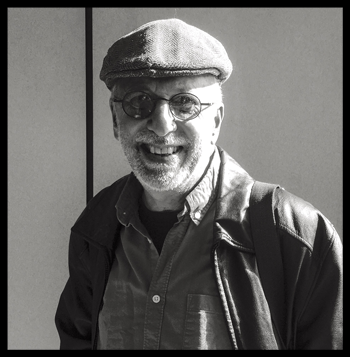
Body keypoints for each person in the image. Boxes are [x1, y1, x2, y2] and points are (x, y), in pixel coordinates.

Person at [55, 18, 342, 350]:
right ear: (116, 120)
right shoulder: (96, 227)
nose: (162, 126)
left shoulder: (294, 236)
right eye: (138, 102)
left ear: (216, 121)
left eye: (184, 103)